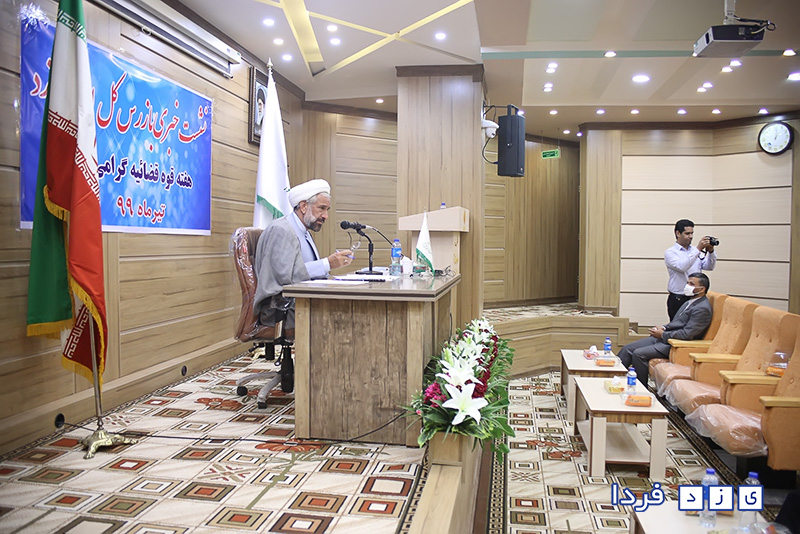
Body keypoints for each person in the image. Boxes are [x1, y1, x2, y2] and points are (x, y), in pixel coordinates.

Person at [253, 179, 352, 328]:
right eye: (321, 208)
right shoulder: (282, 230)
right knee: (343, 314)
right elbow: (285, 280)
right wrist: (327, 264)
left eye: (327, 210)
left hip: (300, 303)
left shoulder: (304, 232)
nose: (325, 216)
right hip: (281, 310)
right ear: (304, 206)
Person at [618, 272, 712, 384]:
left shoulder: (702, 309)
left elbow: (687, 334)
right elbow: (677, 322)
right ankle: (612, 378)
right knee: (627, 349)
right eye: (687, 283)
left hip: (677, 345)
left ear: (701, 289)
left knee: (638, 354)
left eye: (691, 284)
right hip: (667, 338)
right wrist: (663, 328)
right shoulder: (689, 301)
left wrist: (662, 334)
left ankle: (640, 388)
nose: (687, 286)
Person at [664, 219, 716, 321]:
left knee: (694, 325)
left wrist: (711, 252)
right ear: (678, 233)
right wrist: (698, 249)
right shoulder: (671, 252)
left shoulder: (695, 251)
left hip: (696, 296)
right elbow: (682, 267)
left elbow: (709, 266)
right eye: (687, 233)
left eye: (692, 233)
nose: (691, 236)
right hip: (679, 298)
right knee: (677, 326)